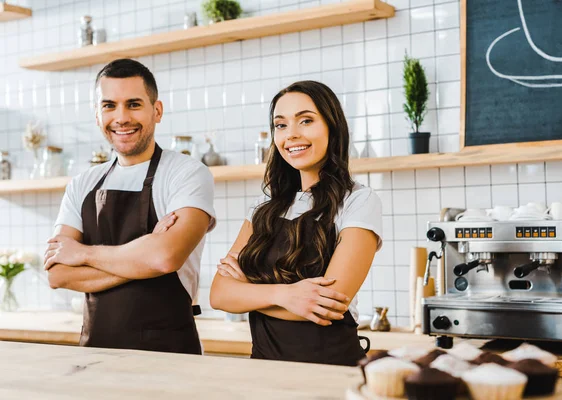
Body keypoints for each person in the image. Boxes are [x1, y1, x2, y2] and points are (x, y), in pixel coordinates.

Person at [44, 58, 216, 355]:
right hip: (94, 356)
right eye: (109, 105)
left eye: (134, 104)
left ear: (156, 111)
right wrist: (144, 254)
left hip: (170, 358)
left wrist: (83, 254)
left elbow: (165, 258)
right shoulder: (82, 184)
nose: (121, 117)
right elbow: (58, 274)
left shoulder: (187, 173)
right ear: (97, 115)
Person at [210, 80, 382, 366]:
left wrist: (249, 289)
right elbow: (219, 294)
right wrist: (287, 295)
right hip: (263, 370)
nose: (291, 135)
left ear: (332, 126)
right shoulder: (263, 207)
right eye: (281, 125)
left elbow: (328, 304)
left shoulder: (358, 201)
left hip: (330, 372)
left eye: (305, 121)